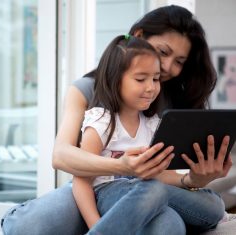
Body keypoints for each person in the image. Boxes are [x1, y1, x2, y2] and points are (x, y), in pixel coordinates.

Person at [1, 5, 233, 235]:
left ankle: (122, 220)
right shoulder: (90, 95)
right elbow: (61, 155)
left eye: (179, 61)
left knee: (185, 215)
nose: (166, 67)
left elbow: (160, 175)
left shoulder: (167, 99)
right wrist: (121, 166)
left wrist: (193, 179)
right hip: (102, 185)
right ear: (139, 36)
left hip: (151, 189)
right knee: (27, 227)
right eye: (163, 52)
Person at [72, 34, 174, 234]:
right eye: (140, 79)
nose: (151, 87)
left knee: (173, 222)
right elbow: (81, 182)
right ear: (114, 80)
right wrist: (95, 226)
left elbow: (162, 174)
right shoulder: (102, 122)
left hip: (145, 196)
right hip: (107, 193)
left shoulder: (153, 124)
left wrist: (191, 180)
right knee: (156, 190)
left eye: (155, 78)